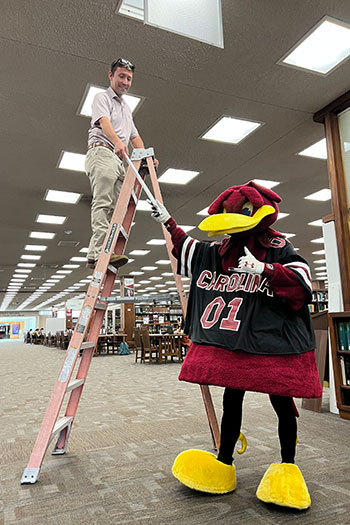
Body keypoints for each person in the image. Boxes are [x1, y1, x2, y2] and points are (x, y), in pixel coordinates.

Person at [149, 181, 321, 510]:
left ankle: (288, 465)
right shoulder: (223, 249)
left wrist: (266, 269)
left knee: (282, 403)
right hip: (235, 343)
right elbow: (194, 252)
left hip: (273, 344)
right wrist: (169, 223)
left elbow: (301, 282)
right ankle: (224, 460)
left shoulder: (277, 245)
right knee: (232, 399)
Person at [85, 57, 156, 269]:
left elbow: (134, 136)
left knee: (118, 208)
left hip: (117, 159)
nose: (125, 82)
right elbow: (104, 122)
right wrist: (117, 141)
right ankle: (100, 254)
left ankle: (95, 253)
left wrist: (146, 156)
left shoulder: (126, 108)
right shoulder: (102, 98)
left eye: (129, 78)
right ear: (111, 76)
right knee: (103, 203)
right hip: (103, 151)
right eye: (121, 76)